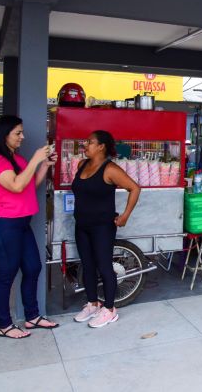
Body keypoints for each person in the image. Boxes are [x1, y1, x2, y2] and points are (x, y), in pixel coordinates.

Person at [0, 115, 58, 339]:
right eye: (18, 133)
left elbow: (28, 185)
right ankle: (4, 325)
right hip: (2, 225)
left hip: (21, 224)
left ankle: (32, 316)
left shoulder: (17, 159)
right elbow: (16, 185)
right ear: (4, 134)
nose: (22, 137)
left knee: (33, 267)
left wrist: (43, 165)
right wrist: (36, 159)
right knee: (6, 275)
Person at [72, 130, 140, 328]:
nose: (85, 145)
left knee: (104, 266)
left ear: (101, 146)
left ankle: (110, 309)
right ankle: (93, 303)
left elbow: (135, 188)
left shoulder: (110, 169)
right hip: (82, 225)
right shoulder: (81, 164)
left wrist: (125, 215)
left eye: (90, 142)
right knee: (87, 265)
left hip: (102, 226)